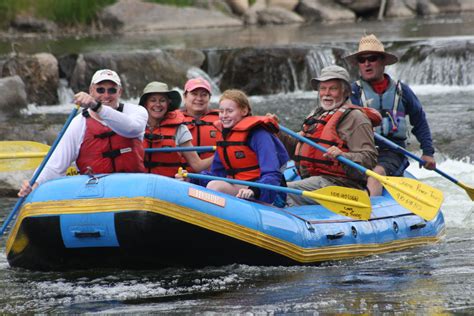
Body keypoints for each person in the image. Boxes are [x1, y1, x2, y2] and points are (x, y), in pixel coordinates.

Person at [19, 69, 148, 196]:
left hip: (132, 188)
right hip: (96, 191)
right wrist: (34, 184)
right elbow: (55, 166)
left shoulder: (136, 111)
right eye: (100, 90)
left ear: (120, 92)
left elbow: (131, 129)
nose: (106, 95)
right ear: (91, 91)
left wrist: (97, 106)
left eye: (112, 90)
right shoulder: (78, 123)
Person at [344, 34, 436, 196]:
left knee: (374, 175)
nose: (366, 64)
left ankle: (373, 215)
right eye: (362, 60)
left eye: (372, 58)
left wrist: (428, 152)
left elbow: (419, 121)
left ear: (383, 62)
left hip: (392, 152)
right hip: (361, 151)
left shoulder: (402, 91)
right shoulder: (353, 92)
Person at [275, 65, 380, 206]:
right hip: (314, 180)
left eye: (333, 88)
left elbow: (369, 159)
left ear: (345, 92)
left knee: (279, 191)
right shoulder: (317, 114)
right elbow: (298, 150)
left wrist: (343, 156)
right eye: (323, 88)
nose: (326, 93)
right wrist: (277, 132)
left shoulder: (356, 118)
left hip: (341, 186)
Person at [184, 89, 289, 205]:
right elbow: (216, 174)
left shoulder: (259, 135)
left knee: (215, 187)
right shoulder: (225, 136)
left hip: (265, 193)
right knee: (213, 183)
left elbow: (272, 173)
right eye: (221, 111)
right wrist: (191, 179)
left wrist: (254, 191)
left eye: (229, 111)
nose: (224, 116)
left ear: (244, 111)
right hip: (238, 187)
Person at [140, 81, 212, 177]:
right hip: (139, 184)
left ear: (168, 104)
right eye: (153, 100)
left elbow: (197, 165)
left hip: (168, 184)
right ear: (145, 104)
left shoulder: (180, 129)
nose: (158, 104)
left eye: (162, 100)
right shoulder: (134, 126)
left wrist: (219, 154)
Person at [180, 78, 220, 168]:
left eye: (204, 95)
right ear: (185, 97)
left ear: (209, 98)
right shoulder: (174, 120)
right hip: (182, 177)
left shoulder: (223, 119)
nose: (199, 98)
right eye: (194, 94)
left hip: (214, 176)